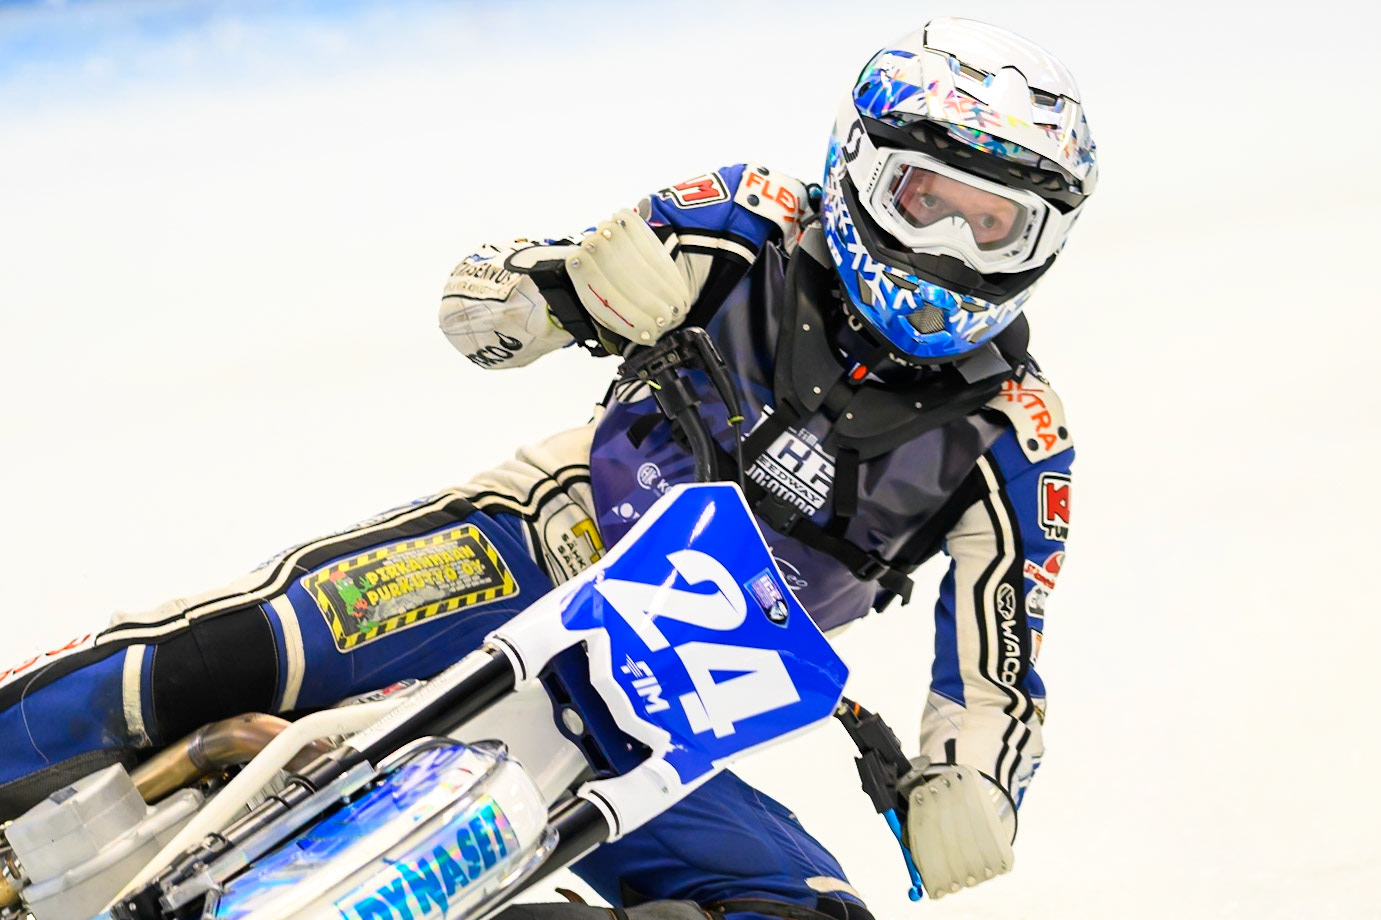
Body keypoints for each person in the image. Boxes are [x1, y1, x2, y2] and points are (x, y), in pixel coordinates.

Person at [0, 18, 1096, 920]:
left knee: (802, 910)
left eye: (992, 226)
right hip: (525, 548)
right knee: (230, 648)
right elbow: (472, 312)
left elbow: (998, 668)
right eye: (925, 198)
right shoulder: (746, 219)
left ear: (1040, 246)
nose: (947, 249)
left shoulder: (1016, 436)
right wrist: (565, 285)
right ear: (860, 170)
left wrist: (971, 783)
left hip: (669, 711)